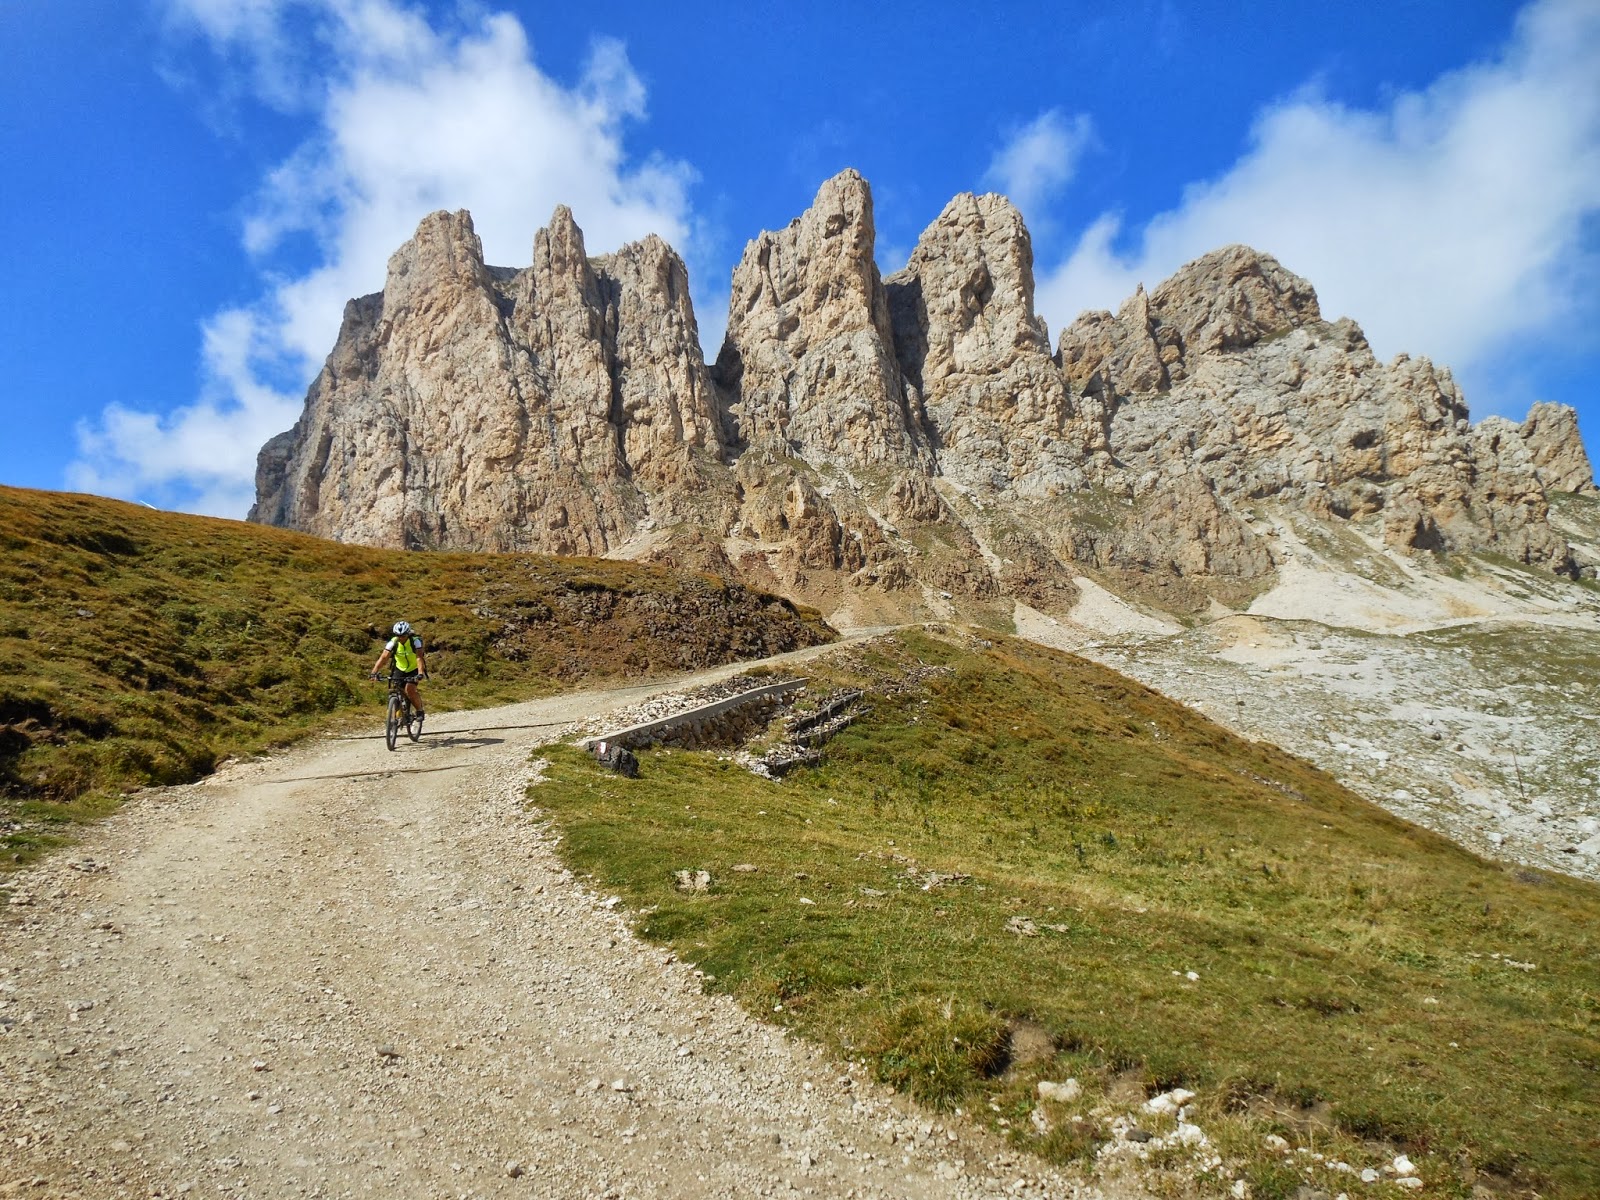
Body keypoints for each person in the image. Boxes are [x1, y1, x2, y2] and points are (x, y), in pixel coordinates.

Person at [370, 620, 427, 727]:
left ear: (408, 634)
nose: (401, 638)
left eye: (403, 635)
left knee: (409, 689)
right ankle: (397, 712)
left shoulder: (415, 641)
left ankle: (419, 710)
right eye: (398, 635)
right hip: (400, 668)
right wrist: (374, 672)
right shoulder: (393, 642)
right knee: (395, 687)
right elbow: (383, 658)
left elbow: (419, 658)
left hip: (413, 668)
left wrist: (420, 673)